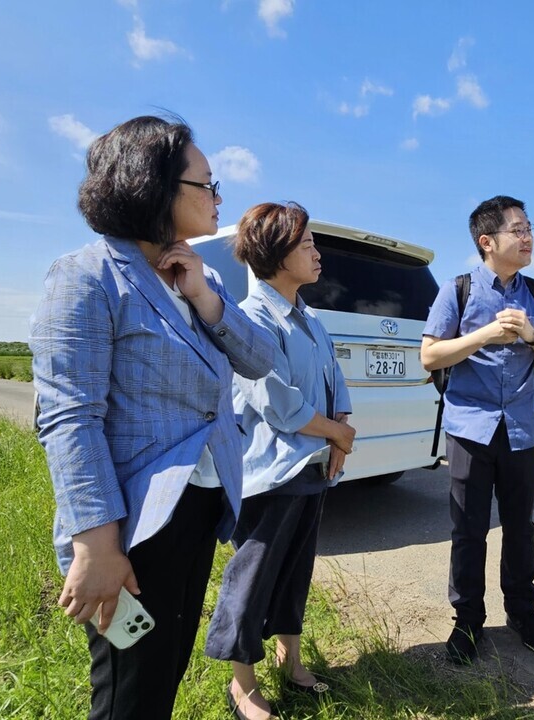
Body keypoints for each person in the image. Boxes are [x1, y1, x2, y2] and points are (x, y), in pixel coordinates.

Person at [29, 115, 275, 720]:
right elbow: (69, 417)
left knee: (164, 673)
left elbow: (258, 359)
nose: (219, 199)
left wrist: (205, 298)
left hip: (200, 507)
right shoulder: (87, 276)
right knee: (128, 695)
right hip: (134, 525)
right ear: (155, 185)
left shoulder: (202, 275)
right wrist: (96, 543)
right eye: (208, 184)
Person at [204, 202, 354, 720]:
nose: (317, 252)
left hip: (312, 466)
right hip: (271, 473)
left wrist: (339, 436)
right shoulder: (253, 319)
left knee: (295, 570)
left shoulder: (310, 318)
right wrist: (337, 431)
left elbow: (336, 381)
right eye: (307, 243)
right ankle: (241, 684)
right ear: (275, 252)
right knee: (253, 577)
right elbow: (280, 404)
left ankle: (291, 663)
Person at [421, 195, 534, 665]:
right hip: (470, 429)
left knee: (521, 527)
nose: (528, 238)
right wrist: (484, 334)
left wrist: (532, 335)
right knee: (468, 529)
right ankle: (467, 621)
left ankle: (522, 612)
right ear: (488, 242)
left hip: (522, 429)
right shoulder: (458, 290)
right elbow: (429, 355)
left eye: (530, 229)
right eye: (518, 229)